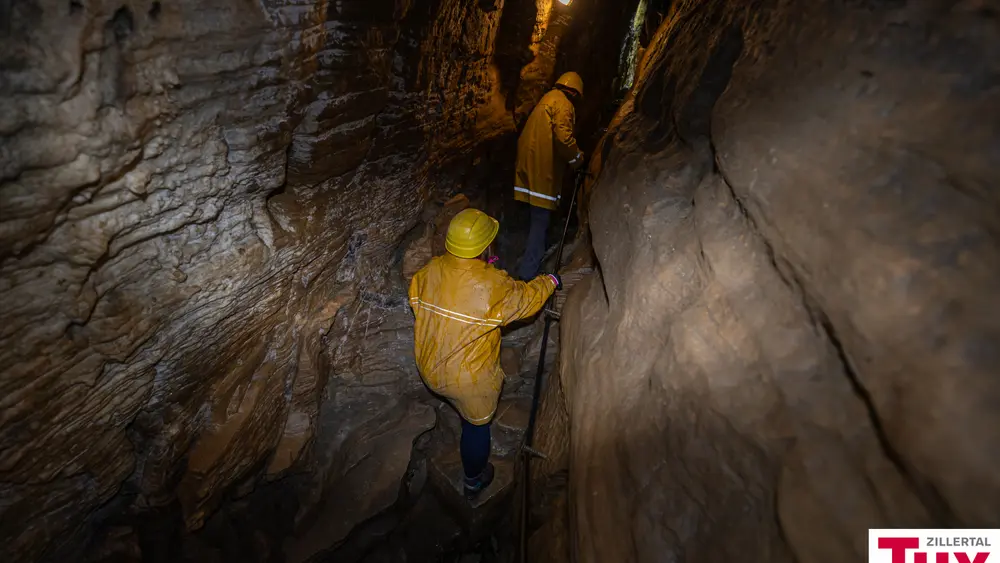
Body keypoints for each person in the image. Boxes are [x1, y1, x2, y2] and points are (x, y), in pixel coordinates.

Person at [409, 208, 561, 498]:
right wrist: (550, 281)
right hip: (467, 382)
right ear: (485, 244)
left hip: (427, 364)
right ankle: (473, 481)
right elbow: (525, 301)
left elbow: (421, 302)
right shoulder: (494, 285)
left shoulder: (427, 272)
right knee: (477, 428)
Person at [513, 71, 585, 281]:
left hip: (528, 168)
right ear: (572, 91)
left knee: (533, 220)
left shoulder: (546, 99)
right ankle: (529, 275)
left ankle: (523, 261)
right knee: (540, 223)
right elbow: (563, 138)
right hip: (542, 171)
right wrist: (578, 158)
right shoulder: (563, 103)